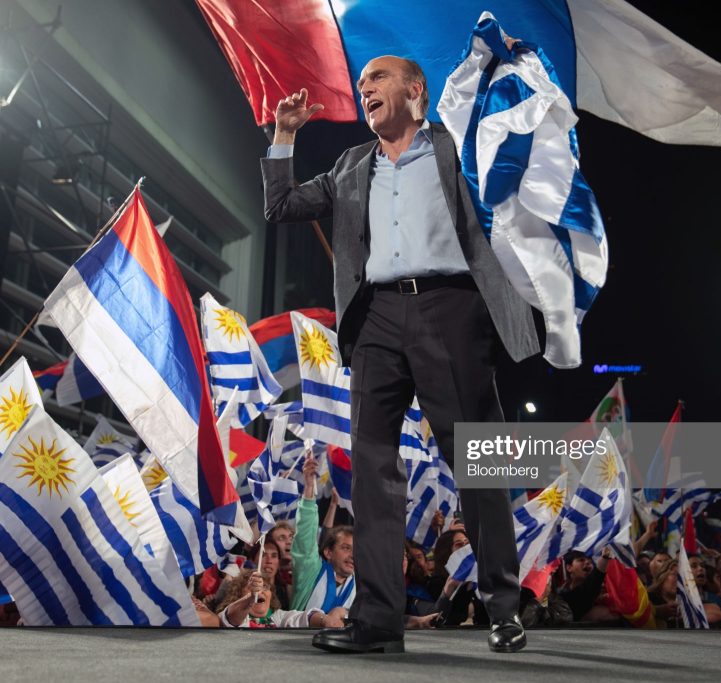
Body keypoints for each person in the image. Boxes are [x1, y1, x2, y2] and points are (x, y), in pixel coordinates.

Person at [262, 51, 538, 655]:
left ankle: (503, 606)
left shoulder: (456, 148)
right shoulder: (351, 164)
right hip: (376, 318)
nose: (365, 90)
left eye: (377, 79)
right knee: (373, 472)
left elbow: (517, 176)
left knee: (477, 461)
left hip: (452, 310)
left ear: (415, 88)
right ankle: (378, 622)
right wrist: (284, 135)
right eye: (361, 84)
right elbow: (281, 207)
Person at [291, 454, 356, 614]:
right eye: (346, 548)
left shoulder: (360, 585)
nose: (353, 555)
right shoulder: (311, 570)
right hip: (299, 639)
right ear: (328, 552)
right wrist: (309, 489)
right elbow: (305, 537)